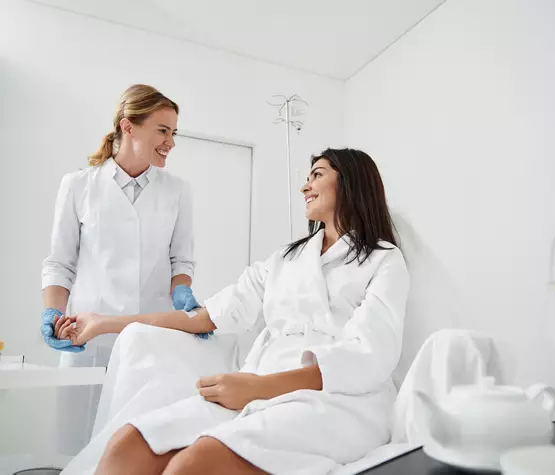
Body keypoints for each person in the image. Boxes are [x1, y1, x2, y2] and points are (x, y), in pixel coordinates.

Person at [57, 148, 410, 475]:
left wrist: (259, 387)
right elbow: (206, 317)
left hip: (338, 400)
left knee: (193, 465)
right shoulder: (285, 260)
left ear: (350, 182)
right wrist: (103, 323)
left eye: (316, 175)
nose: (305, 185)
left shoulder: (383, 260)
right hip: (255, 387)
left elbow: (370, 357)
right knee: (128, 444)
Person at [40, 84, 202, 455]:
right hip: (87, 338)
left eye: (174, 133)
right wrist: (52, 311)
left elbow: (182, 260)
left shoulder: (177, 190)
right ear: (128, 126)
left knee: (134, 448)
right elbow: (60, 262)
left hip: (150, 337)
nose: (170, 143)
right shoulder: (79, 185)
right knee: (75, 445)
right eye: (163, 131)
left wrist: (183, 293)